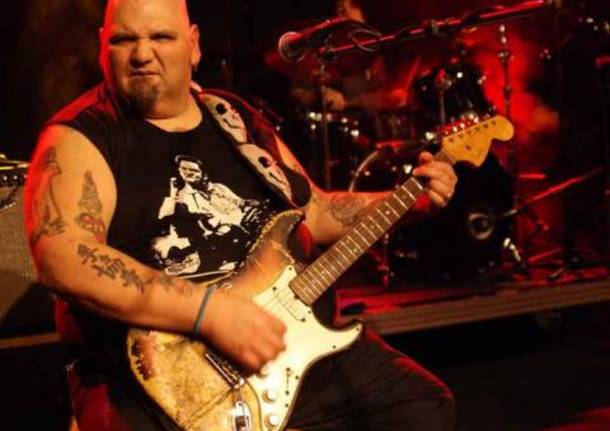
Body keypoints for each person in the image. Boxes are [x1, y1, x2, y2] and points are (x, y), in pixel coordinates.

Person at [24, 0, 457, 430]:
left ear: (193, 45)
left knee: (423, 408)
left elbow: (314, 211)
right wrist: (209, 313)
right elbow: (63, 256)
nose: (141, 54)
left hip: (289, 347)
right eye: (124, 40)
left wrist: (408, 201)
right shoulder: (80, 136)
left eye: (161, 37)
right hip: (160, 378)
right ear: (103, 46)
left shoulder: (234, 118)